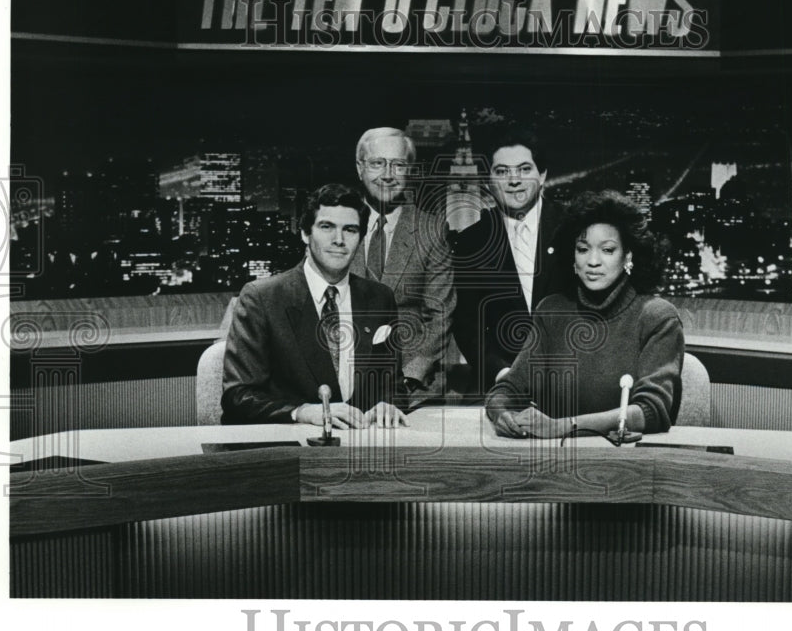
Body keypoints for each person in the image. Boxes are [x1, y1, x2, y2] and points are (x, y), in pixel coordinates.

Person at [485, 190, 683, 438]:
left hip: (624, 463)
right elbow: (507, 389)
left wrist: (562, 427)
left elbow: (652, 411)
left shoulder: (656, 317)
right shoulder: (552, 310)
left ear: (628, 256)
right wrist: (502, 415)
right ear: (572, 256)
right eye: (583, 249)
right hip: (554, 461)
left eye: (608, 250)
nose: (593, 261)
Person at [222, 183, 409, 428]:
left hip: (361, 447)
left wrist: (389, 403)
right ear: (305, 233)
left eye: (350, 230)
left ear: (361, 238)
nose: (339, 240)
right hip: (290, 449)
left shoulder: (379, 298)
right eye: (327, 227)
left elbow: (392, 385)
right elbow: (239, 396)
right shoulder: (262, 298)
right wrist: (301, 412)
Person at [451, 126, 565, 392]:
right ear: (489, 180)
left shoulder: (572, 229)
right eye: (502, 172)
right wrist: (503, 374)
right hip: (499, 386)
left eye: (525, 169)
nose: (514, 180)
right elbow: (467, 324)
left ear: (543, 174)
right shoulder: (471, 242)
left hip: (574, 383)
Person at [350, 127, 455, 400]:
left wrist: (410, 377)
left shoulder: (431, 230)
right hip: (343, 382)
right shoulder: (337, 227)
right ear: (360, 169)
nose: (387, 175)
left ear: (410, 171)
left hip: (412, 388)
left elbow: (440, 315)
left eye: (398, 165)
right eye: (377, 164)